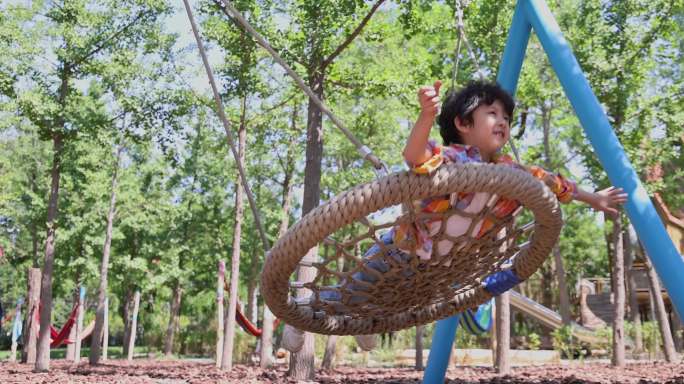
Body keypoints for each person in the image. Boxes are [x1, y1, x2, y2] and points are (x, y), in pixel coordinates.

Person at [282, 80, 627, 353]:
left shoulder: (515, 174)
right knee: (350, 296)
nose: (503, 122)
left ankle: (366, 322)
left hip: (439, 267)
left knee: (394, 303)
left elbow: (557, 185)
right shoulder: (454, 159)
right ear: (463, 123)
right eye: (493, 114)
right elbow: (415, 156)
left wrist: (594, 198)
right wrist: (426, 116)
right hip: (398, 252)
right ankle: (300, 312)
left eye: (506, 117)